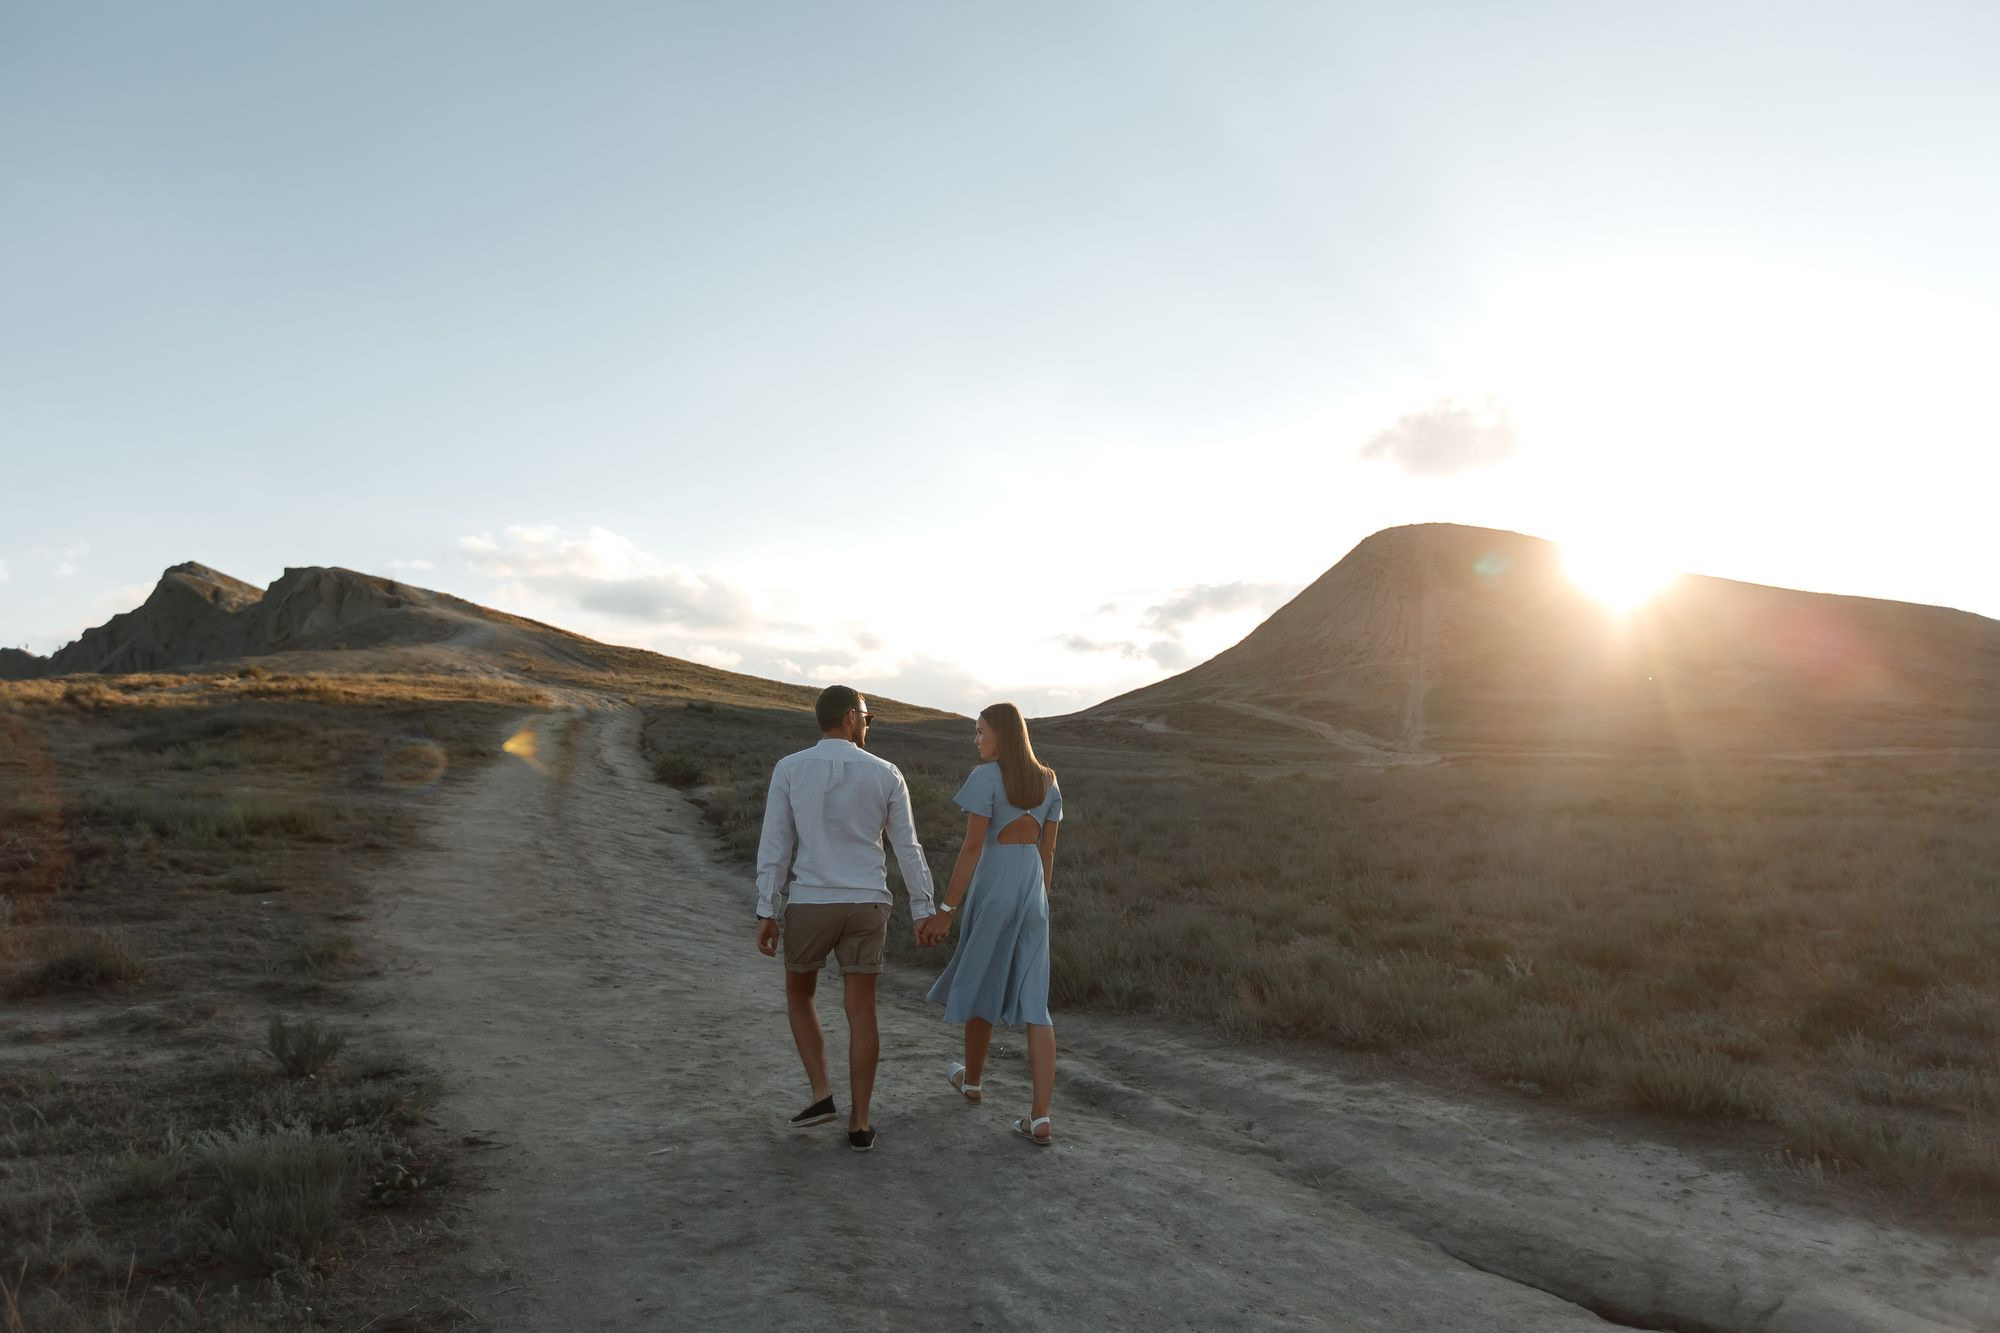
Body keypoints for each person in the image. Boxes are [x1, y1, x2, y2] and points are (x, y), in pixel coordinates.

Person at [755, 685, 939, 1152]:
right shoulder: (886, 773)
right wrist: (923, 907)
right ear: (850, 718)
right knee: (861, 1011)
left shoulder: (790, 768)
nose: (869, 724)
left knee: (800, 994)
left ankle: (821, 1093)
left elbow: (775, 845)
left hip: (812, 901)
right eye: (868, 716)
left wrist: (766, 908)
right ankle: (859, 1123)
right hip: (866, 902)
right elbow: (907, 847)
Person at [919, 702, 1062, 1145]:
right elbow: (1048, 852)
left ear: (1002, 734)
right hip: (1033, 890)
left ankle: (974, 1081)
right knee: (1036, 1002)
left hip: (995, 884)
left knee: (980, 975)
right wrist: (1038, 898)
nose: (976, 740)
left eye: (981, 731)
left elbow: (972, 848)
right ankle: (1039, 1116)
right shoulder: (1048, 780)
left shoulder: (985, 779)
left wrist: (946, 909)